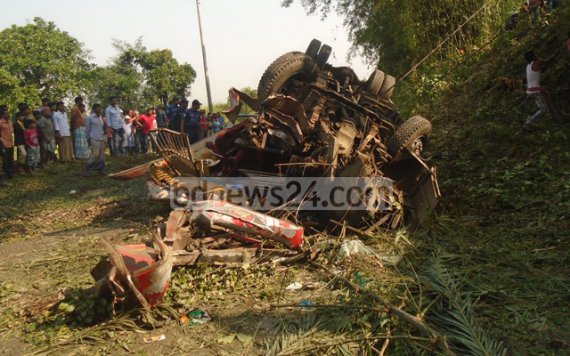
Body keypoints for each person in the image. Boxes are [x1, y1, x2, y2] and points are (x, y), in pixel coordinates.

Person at [523, 50, 561, 131]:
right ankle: (528, 123)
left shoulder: (528, 66)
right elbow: (549, 60)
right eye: (534, 54)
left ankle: (557, 118)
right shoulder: (538, 62)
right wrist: (557, 53)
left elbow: (541, 70)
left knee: (548, 101)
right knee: (543, 110)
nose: (536, 55)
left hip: (531, 90)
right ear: (533, 56)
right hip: (535, 91)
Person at [85, 103, 107, 174]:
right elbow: (87, 129)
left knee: (102, 155)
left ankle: (101, 169)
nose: (100, 109)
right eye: (98, 108)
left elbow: (102, 127)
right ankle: (88, 168)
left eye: (100, 108)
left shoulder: (100, 117)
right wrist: (88, 138)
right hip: (94, 138)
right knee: (95, 154)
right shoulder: (90, 118)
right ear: (94, 109)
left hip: (101, 138)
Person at [0, 106, 15, 178]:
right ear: (2, 115)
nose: (8, 115)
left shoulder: (10, 122)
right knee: (4, 160)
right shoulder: (0, 122)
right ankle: (7, 173)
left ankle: (11, 172)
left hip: (11, 143)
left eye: (8, 113)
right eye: (6, 114)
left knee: (10, 159)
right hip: (4, 144)